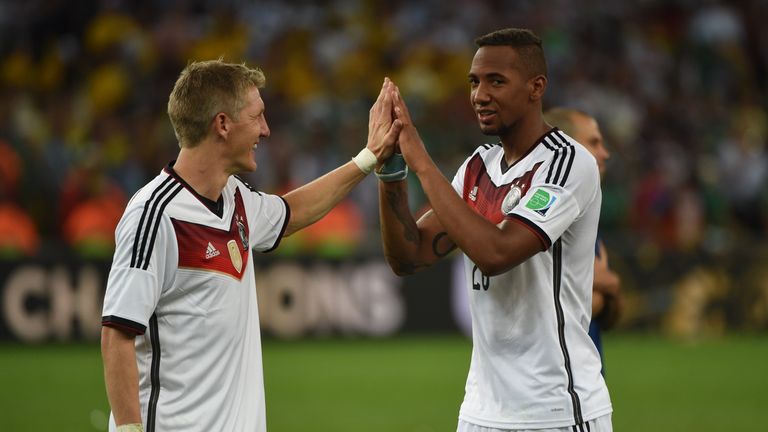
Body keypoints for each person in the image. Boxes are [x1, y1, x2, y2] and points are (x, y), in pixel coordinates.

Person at [100, 60, 401, 432]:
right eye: (257, 116)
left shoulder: (235, 198)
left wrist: (368, 158)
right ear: (222, 124)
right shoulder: (155, 214)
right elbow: (117, 333)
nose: (266, 129)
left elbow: (290, 212)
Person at [378, 28, 612, 431]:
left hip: (556, 410)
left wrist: (420, 161)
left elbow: (496, 254)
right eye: (474, 81)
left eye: (496, 81)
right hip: (481, 412)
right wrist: (392, 167)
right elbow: (408, 256)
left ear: (536, 87)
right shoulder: (477, 167)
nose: (479, 95)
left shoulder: (567, 163)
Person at [543, 108, 623, 375]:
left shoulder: (587, 211)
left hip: (587, 387)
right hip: (552, 385)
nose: (605, 153)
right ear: (566, 146)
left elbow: (607, 314)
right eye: (593, 142)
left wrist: (607, 285)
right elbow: (545, 312)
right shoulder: (542, 213)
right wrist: (603, 284)